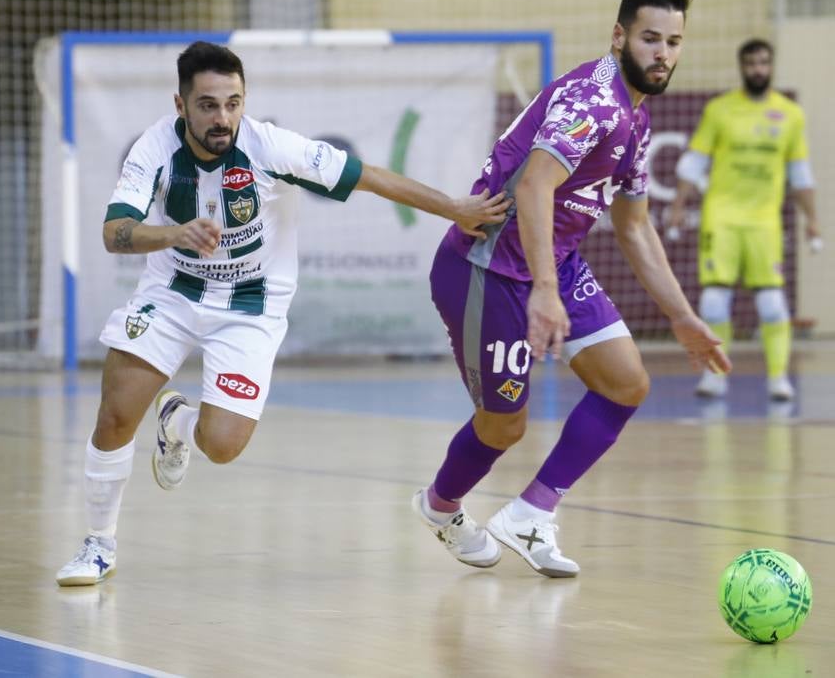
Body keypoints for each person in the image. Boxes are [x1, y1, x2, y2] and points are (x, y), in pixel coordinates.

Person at [57, 40, 509, 586]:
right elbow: (115, 233)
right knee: (115, 412)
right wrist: (175, 233)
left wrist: (456, 209)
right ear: (181, 106)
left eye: (233, 102)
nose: (222, 117)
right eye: (207, 105)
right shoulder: (152, 150)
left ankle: (177, 420)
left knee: (222, 447)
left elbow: (368, 176)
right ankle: (98, 544)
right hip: (172, 292)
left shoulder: (270, 146)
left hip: (250, 305)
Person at [411, 0, 731, 578]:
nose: (662, 53)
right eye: (650, 39)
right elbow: (534, 186)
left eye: (674, 42)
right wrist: (545, 296)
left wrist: (683, 316)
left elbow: (634, 228)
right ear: (619, 37)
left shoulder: (635, 118)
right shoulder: (594, 100)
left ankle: (531, 512)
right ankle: (439, 505)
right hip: (485, 268)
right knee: (505, 425)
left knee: (626, 383)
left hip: (553, 261)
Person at [666, 38, 820, 402]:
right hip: (722, 218)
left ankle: (779, 380)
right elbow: (694, 161)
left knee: (772, 305)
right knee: (715, 303)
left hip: (764, 222)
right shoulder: (720, 110)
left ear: (771, 66)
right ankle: (714, 378)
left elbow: (800, 174)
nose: (758, 70)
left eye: (764, 63)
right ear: (742, 67)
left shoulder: (790, 115)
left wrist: (812, 219)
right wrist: (678, 204)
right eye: (751, 63)